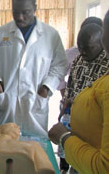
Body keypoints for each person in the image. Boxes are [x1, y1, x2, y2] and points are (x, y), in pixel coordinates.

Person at [0, 0, 68, 137]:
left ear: (35, 8)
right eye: (15, 12)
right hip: (5, 101)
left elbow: (60, 64)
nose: (20, 17)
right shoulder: (0, 33)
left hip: (34, 101)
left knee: (32, 149)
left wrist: (46, 88)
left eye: (26, 12)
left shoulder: (50, 35)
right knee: (0, 147)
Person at [48, 10, 109, 173]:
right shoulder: (78, 59)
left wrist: (64, 137)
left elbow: (103, 166)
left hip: (90, 151)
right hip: (77, 140)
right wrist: (70, 100)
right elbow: (71, 84)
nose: (82, 52)